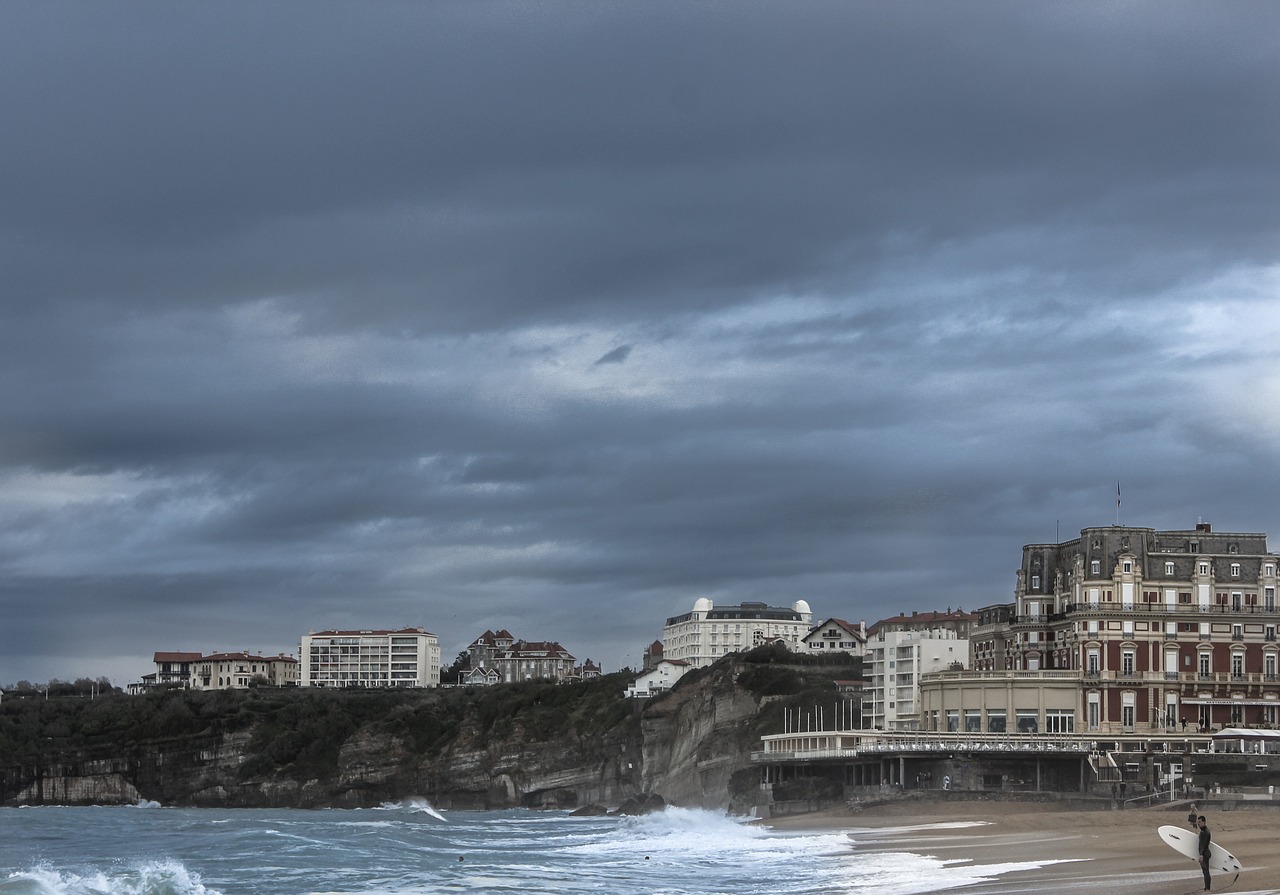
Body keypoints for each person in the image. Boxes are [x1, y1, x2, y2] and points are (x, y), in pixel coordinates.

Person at [1197, 815, 1211, 891]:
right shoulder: (1203, 831)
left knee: (1206, 871)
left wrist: (1201, 855)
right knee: (1204, 871)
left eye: (1199, 822)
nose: (1198, 823)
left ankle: (1208, 889)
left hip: (1205, 854)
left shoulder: (1206, 832)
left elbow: (1205, 844)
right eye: (1197, 822)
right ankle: (1206, 888)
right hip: (1203, 853)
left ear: (1204, 822)